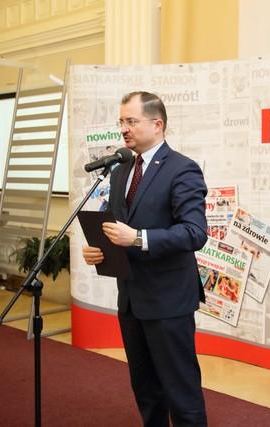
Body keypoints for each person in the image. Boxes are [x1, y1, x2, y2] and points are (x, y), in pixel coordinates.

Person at [82, 91, 208, 427]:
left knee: (181, 392)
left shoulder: (183, 169)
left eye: (131, 121)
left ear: (157, 124)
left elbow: (195, 232)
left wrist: (138, 238)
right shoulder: (121, 169)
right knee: (146, 389)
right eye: (121, 121)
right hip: (131, 300)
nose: (124, 128)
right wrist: (99, 250)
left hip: (168, 302)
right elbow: (118, 225)